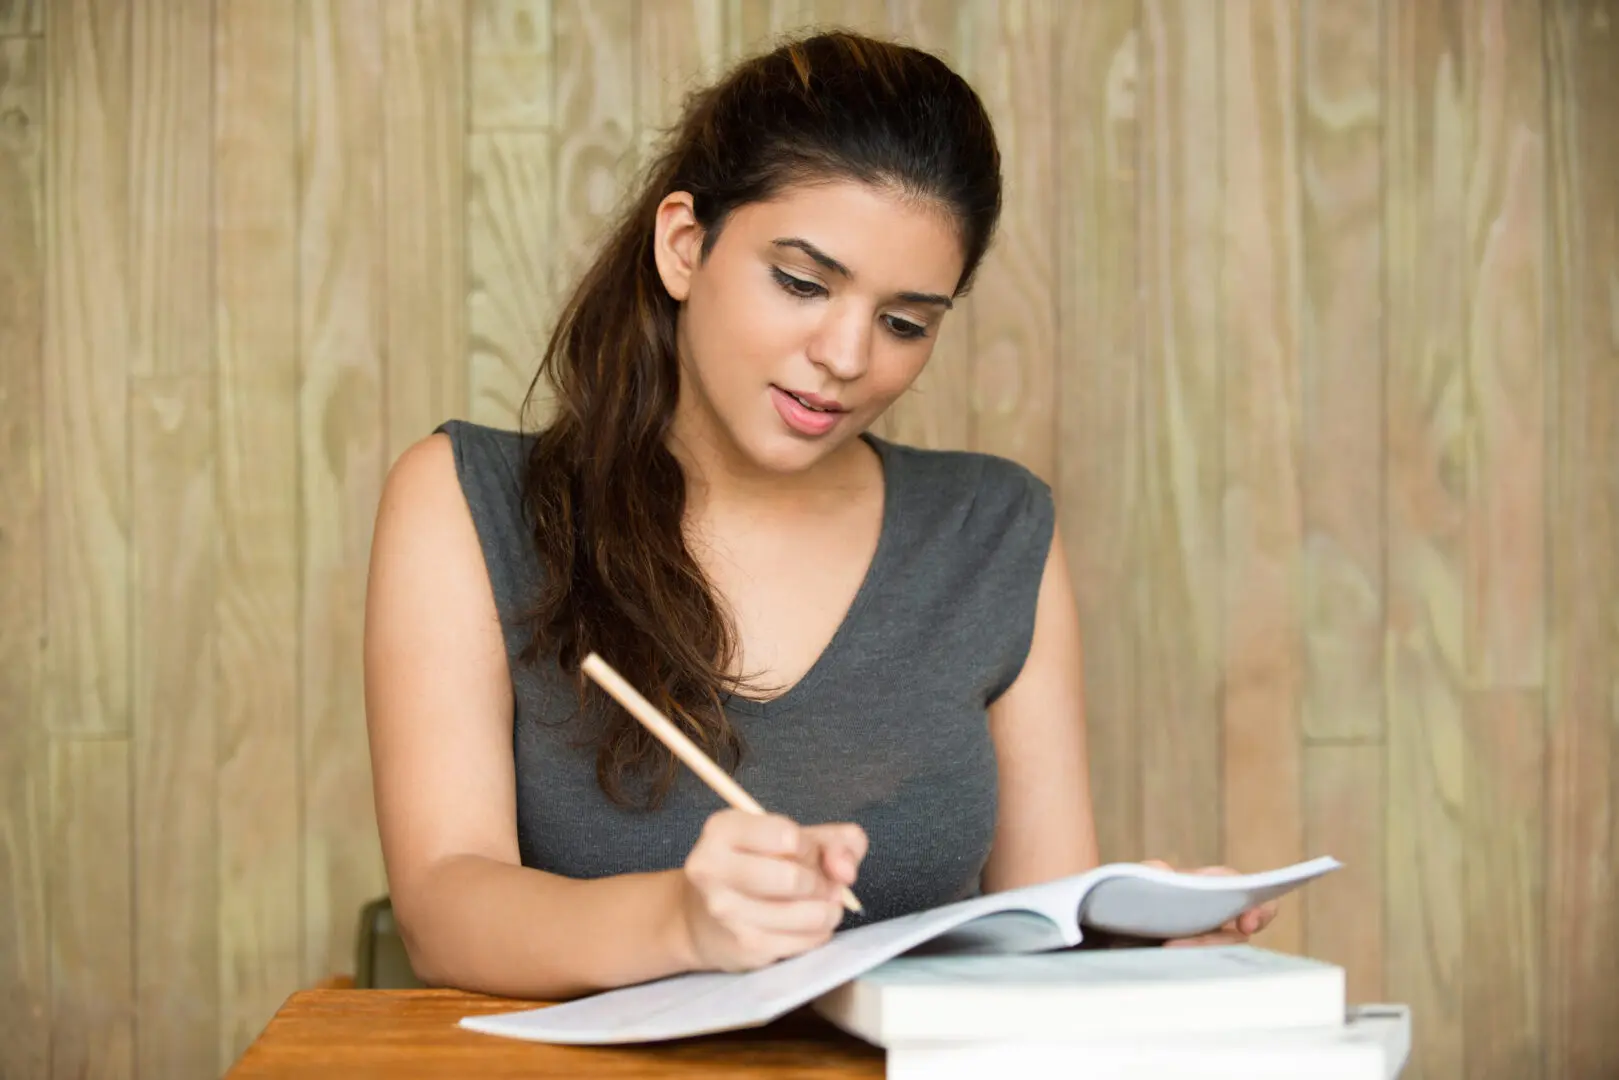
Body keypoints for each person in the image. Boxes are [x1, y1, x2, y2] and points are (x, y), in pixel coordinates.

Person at [362, 27, 1278, 1003]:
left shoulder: (992, 531)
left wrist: (1140, 945)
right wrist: (684, 922)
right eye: (800, 283)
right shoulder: (467, 504)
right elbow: (442, 910)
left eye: (903, 322)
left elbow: (1040, 928)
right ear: (684, 247)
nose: (845, 355)